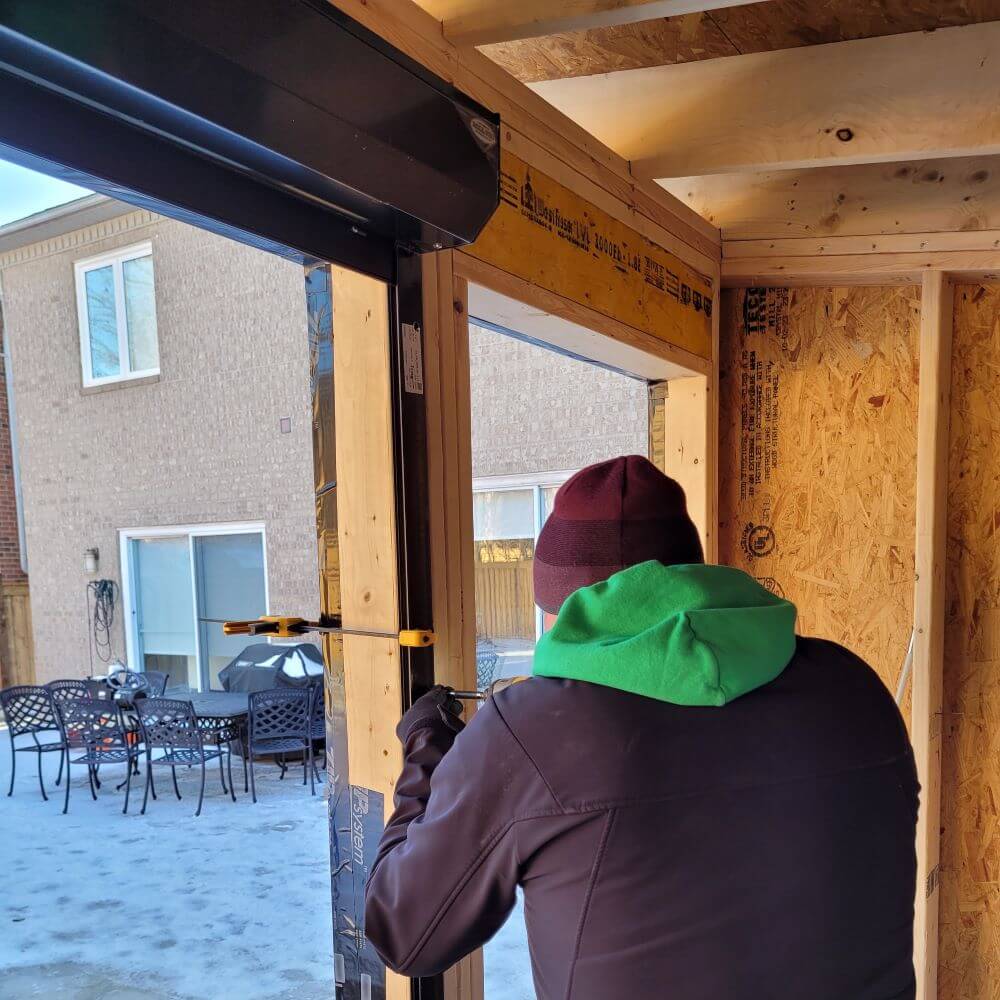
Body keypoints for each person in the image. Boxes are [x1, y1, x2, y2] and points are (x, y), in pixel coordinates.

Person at [365, 455, 919, 999]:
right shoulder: (854, 688)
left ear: (570, 610)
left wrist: (427, 751)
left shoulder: (530, 731)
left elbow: (405, 933)